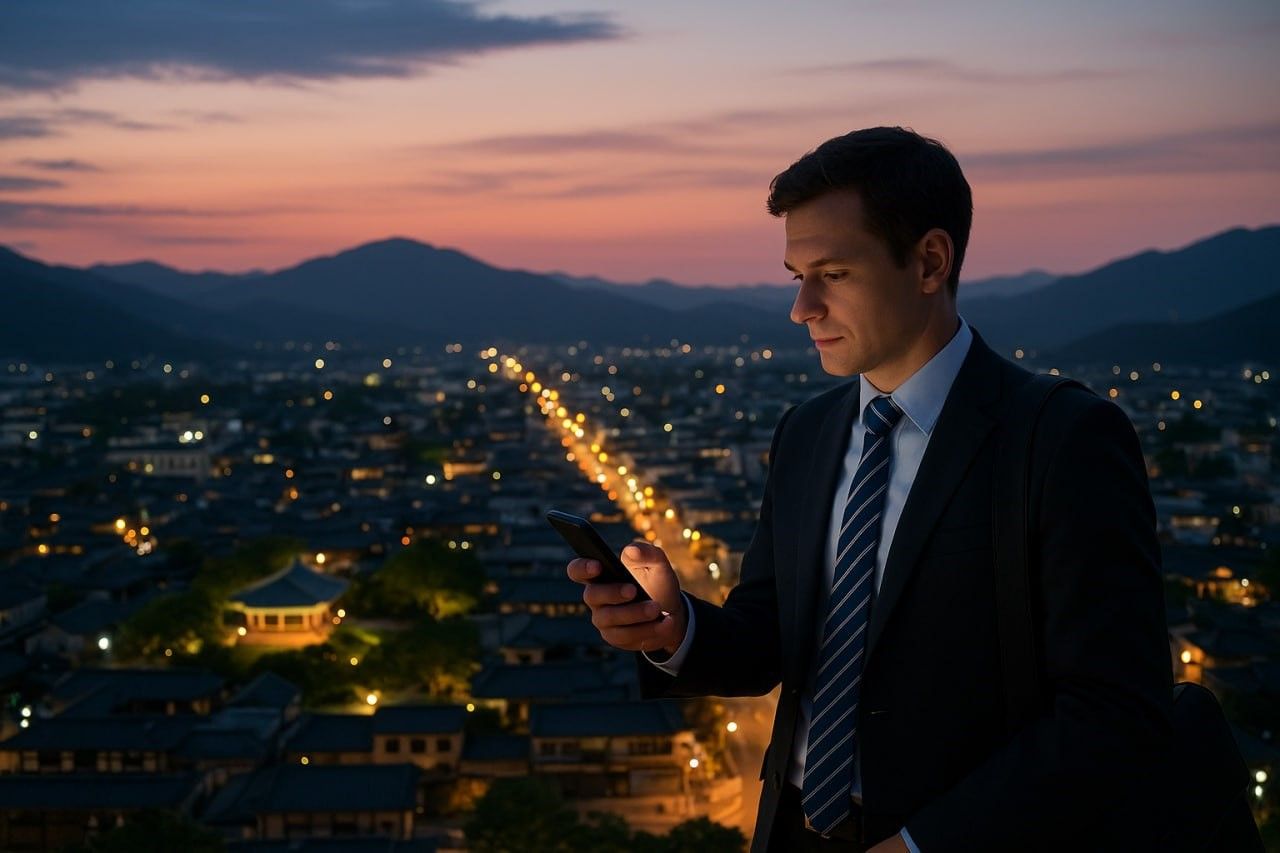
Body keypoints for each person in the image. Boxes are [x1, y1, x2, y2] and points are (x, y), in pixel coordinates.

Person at [565, 126, 1173, 852]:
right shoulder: (808, 432)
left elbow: (1115, 710)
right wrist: (675, 628)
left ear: (929, 261)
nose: (803, 308)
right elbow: (772, 635)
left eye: (835, 273)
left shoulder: (1062, 437)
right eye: (797, 276)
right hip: (793, 826)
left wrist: (923, 844)